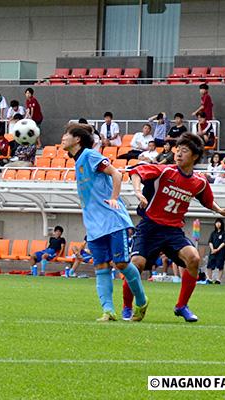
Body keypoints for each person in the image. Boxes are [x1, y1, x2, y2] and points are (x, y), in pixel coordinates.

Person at [126, 133, 225, 322]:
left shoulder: (199, 182)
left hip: (173, 231)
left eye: (184, 150)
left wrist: (220, 210)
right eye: (178, 149)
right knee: (136, 266)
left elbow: (208, 201)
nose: (179, 153)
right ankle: (127, 307)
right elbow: (136, 172)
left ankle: (182, 306)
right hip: (149, 227)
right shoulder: (165, 170)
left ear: (194, 156)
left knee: (194, 258)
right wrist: (137, 191)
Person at [62, 124, 148, 322]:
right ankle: (108, 311)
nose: (63, 138)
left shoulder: (90, 156)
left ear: (77, 139)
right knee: (100, 267)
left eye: (67, 134)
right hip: (94, 225)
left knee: (121, 263)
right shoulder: (77, 161)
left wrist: (114, 198)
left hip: (112, 220)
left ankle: (142, 302)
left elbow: (117, 174)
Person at [205, 218, 225, 285]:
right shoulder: (213, 233)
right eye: (216, 223)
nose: (218, 224)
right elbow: (210, 242)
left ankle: (218, 280)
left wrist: (217, 249)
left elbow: (224, 242)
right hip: (212, 252)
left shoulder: (224, 233)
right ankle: (209, 279)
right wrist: (212, 249)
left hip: (221, 252)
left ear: (222, 224)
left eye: (219, 223)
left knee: (220, 266)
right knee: (209, 265)